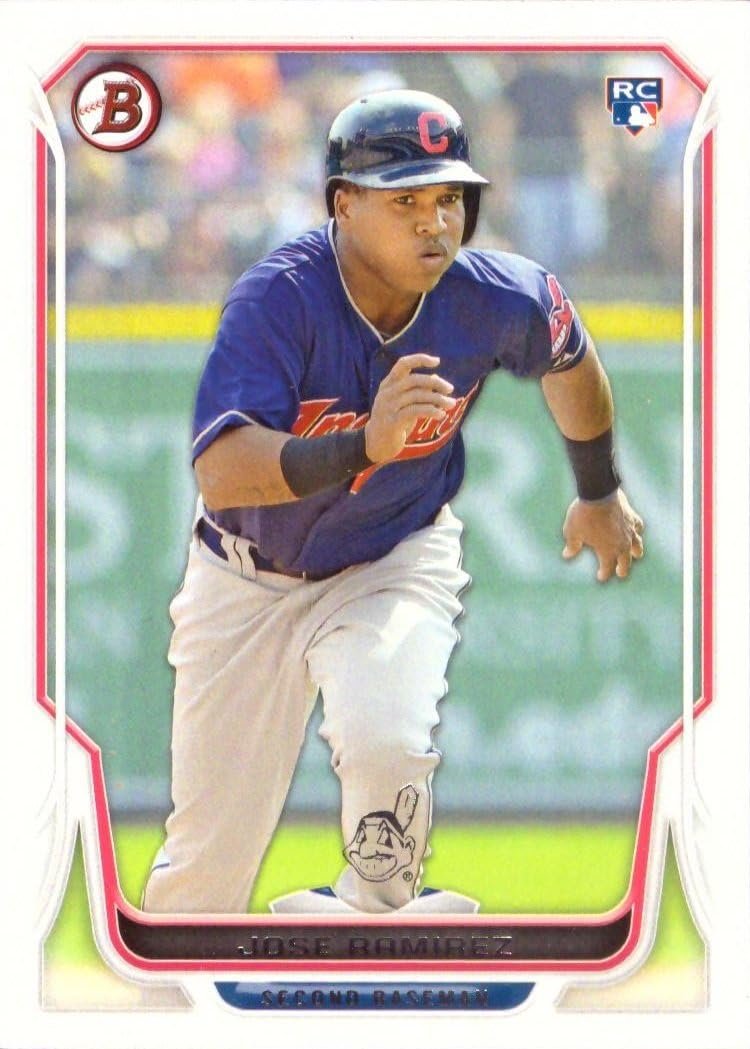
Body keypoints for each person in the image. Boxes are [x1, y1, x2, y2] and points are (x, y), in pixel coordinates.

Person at [141, 88, 644, 917]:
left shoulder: (499, 294)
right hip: (244, 578)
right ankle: (174, 991)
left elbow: (571, 358)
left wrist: (597, 488)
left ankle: (375, 929)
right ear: (343, 204)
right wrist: (362, 445)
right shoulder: (278, 300)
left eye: (449, 198)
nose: (435, 222)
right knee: (205, 866)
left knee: (388, 739)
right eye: (404, 200)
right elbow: (223, 472)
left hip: (392, 559)